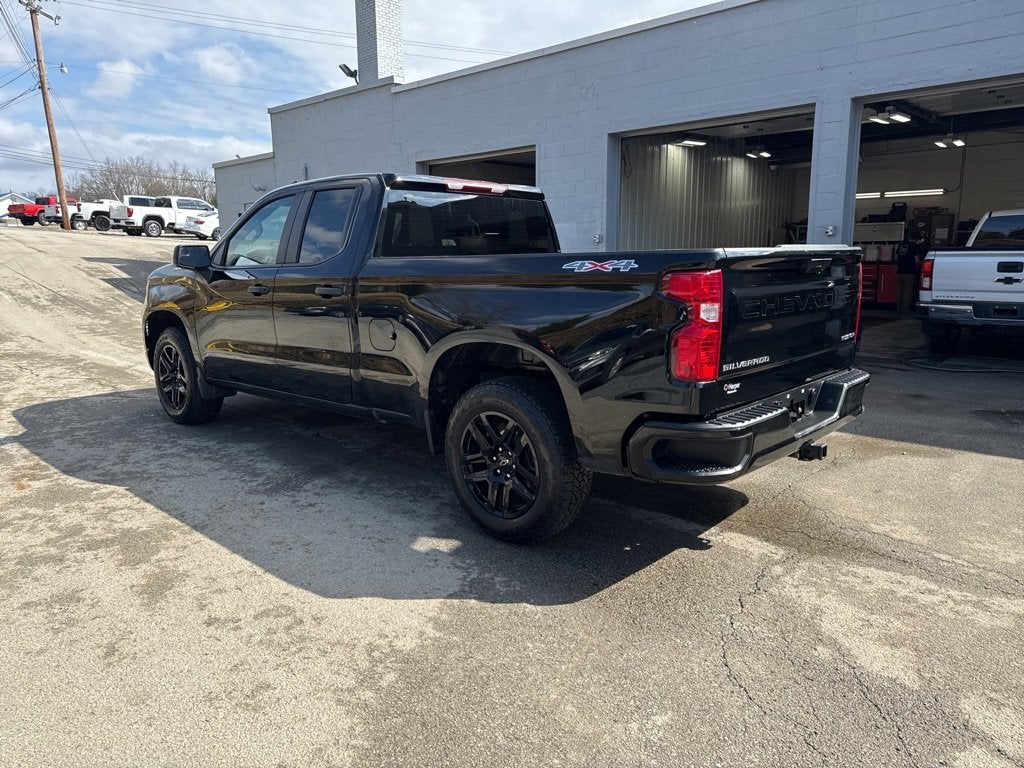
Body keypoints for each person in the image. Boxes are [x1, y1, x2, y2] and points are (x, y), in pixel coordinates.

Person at [896, 230, 926, 314]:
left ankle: (898, 308)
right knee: (907, 292)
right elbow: (916, 260)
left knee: (899, 291)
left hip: (900, 271)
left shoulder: (902, 245)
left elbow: (897, 257)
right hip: (909, 272)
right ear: (917, 239)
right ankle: (904, 309)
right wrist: (919, 266)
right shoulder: (915, 246)